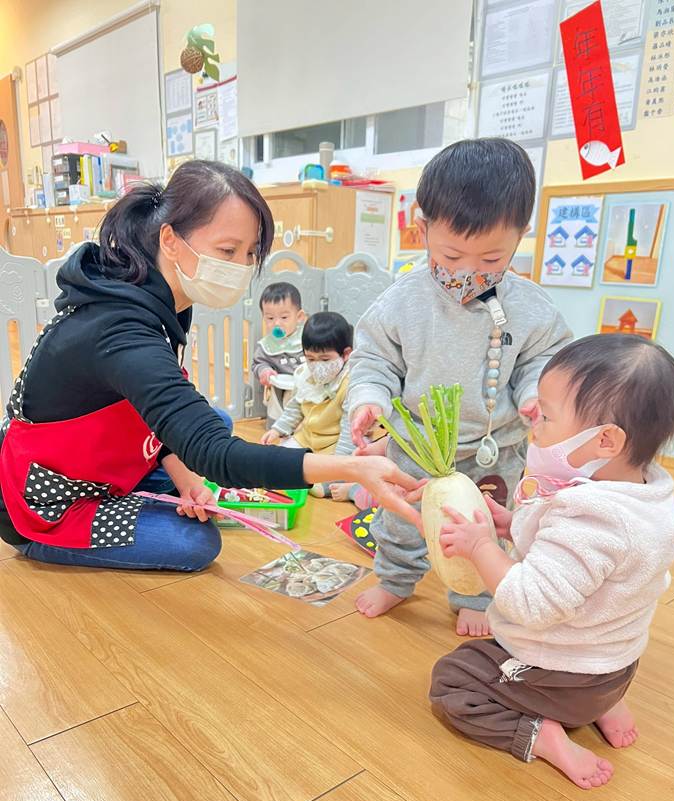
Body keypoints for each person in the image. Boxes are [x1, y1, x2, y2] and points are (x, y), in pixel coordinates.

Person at [0, 161, 421, 572]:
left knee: (215, 423)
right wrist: (351, 468)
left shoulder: (156, 297)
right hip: (47, 499)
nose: (241, 266)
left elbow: (153, 412)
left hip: (100, 455)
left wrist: (184, 475)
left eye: (250, 253)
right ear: (170, 239)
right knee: (195, 542)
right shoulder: (119, 328)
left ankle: (149, 488)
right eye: (227, 250)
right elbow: (213, 451)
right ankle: (44, 540)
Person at [429, 335, 674, 789]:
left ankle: (541, 733)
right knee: (587, 671)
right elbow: (592, 565)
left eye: (547, 417)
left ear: (605, 440)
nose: (535, 425)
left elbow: (530, 603)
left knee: (452, 681)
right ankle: (604, 704)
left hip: (564, 673)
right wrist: (513, 525)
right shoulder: (647, 494)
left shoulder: (590, 518)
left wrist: (482, 548)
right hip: (616, 667)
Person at [348, 138, 572, 634]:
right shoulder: (401, 301)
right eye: (452, 254)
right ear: (422, 227)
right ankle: (396, 580)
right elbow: (374, 359)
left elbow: (545, 361)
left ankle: (475, 595)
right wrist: (370, 398)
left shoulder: (531, 308)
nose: (468, 272)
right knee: (401, 524)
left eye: (491, 259)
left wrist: (534, 395)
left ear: (521, 236)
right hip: (419, 446)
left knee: (483, 528)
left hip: (494, 449)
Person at [260, 313, 356, 499]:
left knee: (337, 472)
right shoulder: (305, 375)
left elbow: (348, 434)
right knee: (275, 460)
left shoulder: (349, 383)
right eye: (310, 359)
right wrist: (277, 430)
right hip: (306, 438)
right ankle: (307, 474)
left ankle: (322, 481)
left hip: (334, 445)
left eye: (325, 359)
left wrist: (339, 465)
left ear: (346, 354)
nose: (317, 365)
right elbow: (295, 407)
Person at [251, 282, 306, 426]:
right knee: (279, 407)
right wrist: (265, 371)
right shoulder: (266, 345)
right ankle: (278, 428)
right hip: (280, 389)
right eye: (270, 318)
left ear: (299, 316)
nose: (277, 323)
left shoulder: (307, 337)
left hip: (306, 387)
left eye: (284, 317)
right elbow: (258, 364)